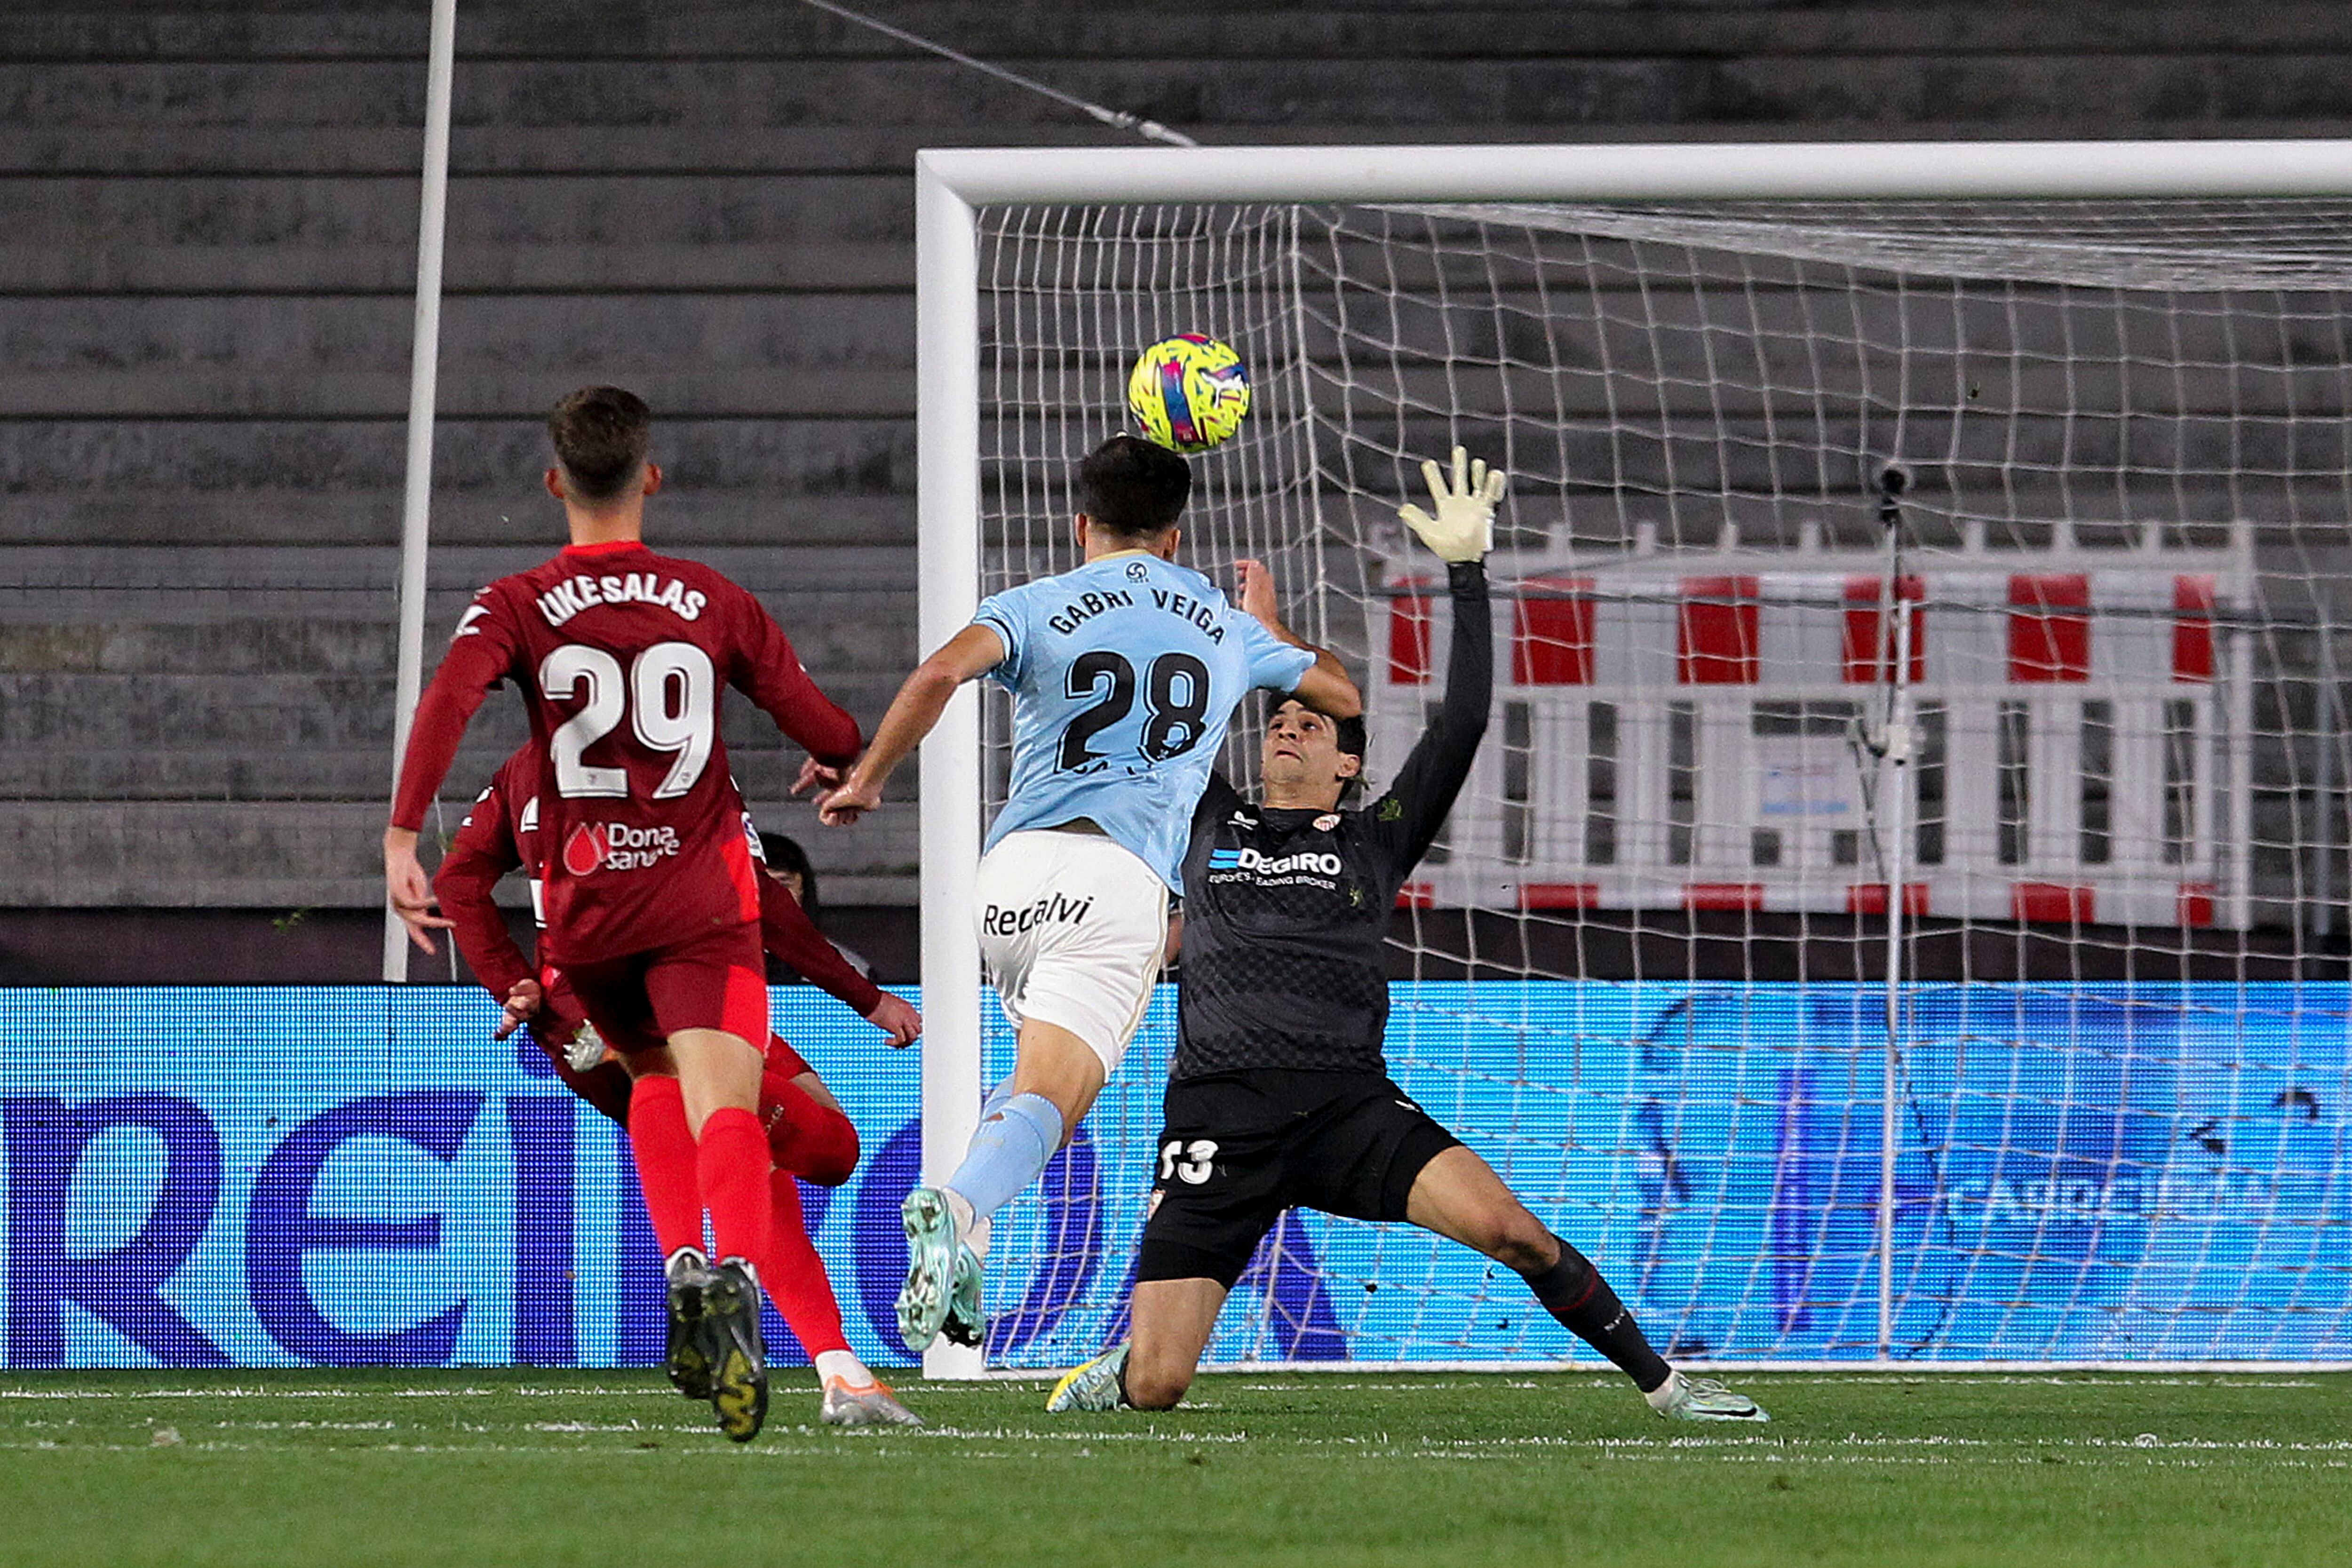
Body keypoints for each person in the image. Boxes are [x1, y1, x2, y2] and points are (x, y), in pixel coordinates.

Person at [1046, 449, 1767, 1424]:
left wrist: (1466, 570)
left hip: (1349, 1108)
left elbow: (1463, 720)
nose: (1286, 729)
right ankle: (1124, 1366)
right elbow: (1154, 705)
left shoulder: (1376, 836)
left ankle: (1668, 1384)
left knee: (1512, 1231)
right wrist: (1218, 618)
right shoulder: (1206, 818)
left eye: (1310, 722)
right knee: (1160, 1384)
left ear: (1349, 765)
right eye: (1277, 720)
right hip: (1219, 1115)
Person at [385, 386, 863, 1441]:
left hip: (588, 921)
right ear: (651, 476)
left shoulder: (513, 601)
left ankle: (681, 1261)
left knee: (651, 1074)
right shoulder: (713, 599)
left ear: (554, 482)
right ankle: (732, 1267)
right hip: (698, 903)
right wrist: (846, 755)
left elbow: (449, 701)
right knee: (728, 1100)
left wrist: (399, 832)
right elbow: (818, 717)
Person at [817, 433, 1360, 1353]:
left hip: (1009, 877)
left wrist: (869, 778)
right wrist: (1271, 624)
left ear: (1080, 525)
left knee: (1030, 1080)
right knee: (1053, 1097)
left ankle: (962, 1270)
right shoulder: (1223, 625)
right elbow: (1337, 689)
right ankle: (956, 1205)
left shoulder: (1033, 604)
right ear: (1177, 538)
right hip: (1118, 882)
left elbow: (938, 673)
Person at [433, 744, 922, 1426]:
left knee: (769, 1155)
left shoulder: (526, 762)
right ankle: (745, 1291)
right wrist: (865, 997)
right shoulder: (678, 750)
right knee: (820, 1146)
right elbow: (763, 898)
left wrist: (512, 981)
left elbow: (458, 879)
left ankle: (813, 1349)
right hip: (688, 990)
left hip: (576, 1010)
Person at [756, 832, 874, 979]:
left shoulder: (849, 972)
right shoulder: (720, 964)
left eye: (783, 884)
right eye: (760, 886)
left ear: (804, 891)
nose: (773, 897)